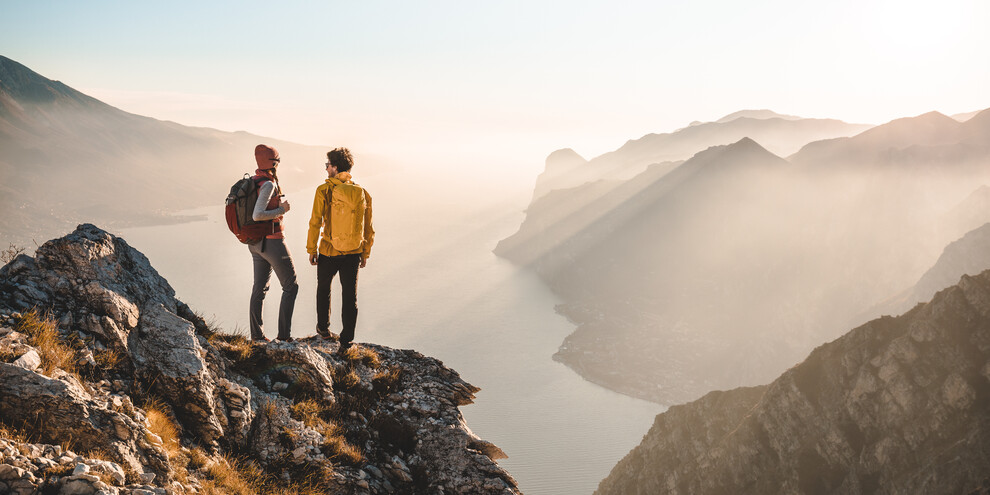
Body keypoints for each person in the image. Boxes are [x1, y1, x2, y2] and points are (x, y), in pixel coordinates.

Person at [307, 147, 374, 352]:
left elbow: (315, 222)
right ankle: (346, 341)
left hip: (329, 250)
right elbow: (368, 226)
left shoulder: (324, 190)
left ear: (335, 167)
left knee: (324, 289)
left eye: (327, 165)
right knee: (349, 296)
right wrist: (365, 252)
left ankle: (324, 330)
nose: (326, 168)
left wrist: (312, 249)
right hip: (353, 252)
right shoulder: (362, 192)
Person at [248, 144, 298, 343]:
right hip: (273, 242)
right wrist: (282, 209)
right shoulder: (268, 184)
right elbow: (258, 214)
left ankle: (257, 337)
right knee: (291, 286)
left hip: (255, 244)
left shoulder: (254, 181)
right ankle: (284, 337)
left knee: (259, 288)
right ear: (274, 163)